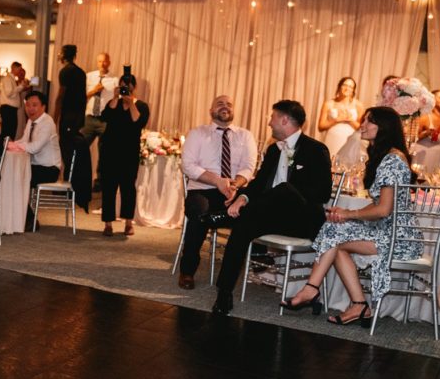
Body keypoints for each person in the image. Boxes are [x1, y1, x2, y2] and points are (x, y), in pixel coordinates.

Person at [283, 107, 421, 325]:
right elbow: (379, 206)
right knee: (334, 230)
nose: (362, 125)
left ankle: (318, 291)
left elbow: (384, 209)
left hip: (398, 237)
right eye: (363, 120)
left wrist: (349, 214)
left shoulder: (393, 160)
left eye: (369, 121)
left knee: (335, 233)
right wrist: (346, 215)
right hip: (386, 230)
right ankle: (352, 303)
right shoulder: (388, 157)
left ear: (384, 127)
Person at [212, 100, 333, 315]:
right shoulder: (274, 150)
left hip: (302, 220)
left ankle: (226, 216)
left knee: (285, 189)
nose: (269, 123)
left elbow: (322, 193)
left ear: (284, 120)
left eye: (272, 117)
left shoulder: (316, 149)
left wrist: (288, 193)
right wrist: (242, 199)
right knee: (243, 227)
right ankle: (224, 293)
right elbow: (258, 185)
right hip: (271, 216)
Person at [178, 95, 257, 289]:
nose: (225, 106)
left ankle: (248, 265)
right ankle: (187, 271)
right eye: (220, 104)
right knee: (199, 212)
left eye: (229, 104)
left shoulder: (245, 135)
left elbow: (249, 167)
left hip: (233, 192)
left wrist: (234, 185)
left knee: (255, 209)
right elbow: (187, 165)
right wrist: (217, 181)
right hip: (203, 190)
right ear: (211, 111)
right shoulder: (198, 133)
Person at [99, 68, 149, 237]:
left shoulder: (141, 106)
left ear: (134, 88)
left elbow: (138, 121)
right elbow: (105, 116)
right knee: (109, 188)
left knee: (128, 188)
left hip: (129, 153)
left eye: (128, 87)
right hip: (109, 152)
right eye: (122, 87)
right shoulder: (114, 103)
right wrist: (114, 97)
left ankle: (128, 222)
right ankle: (108, 224)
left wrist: (131, 102)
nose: (125, 90)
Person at [7, 90, 62, 230]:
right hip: (35, 166)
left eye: (34, 105)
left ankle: (30, 220)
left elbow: (34, 147)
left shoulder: (47, 122)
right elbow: (25, 141)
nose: (30, 109)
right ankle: (19, 219)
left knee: (17, 179)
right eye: (27, 105)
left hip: (49, 169)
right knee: (12, 177)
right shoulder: (31, 122)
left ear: (43, 107)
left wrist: (14, 145)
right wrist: (10, 144)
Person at [80, 52, 118, 177]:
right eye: (100, 61)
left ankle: (100, 181)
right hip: (89, 119)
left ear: (109, 62)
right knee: (81, 147)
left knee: (105, 152)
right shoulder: (88, 76)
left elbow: (117, 99)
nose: (103, 64)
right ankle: (80, 177)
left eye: (105, 61)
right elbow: (81, 97)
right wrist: (94, 91)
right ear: (97, 62)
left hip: (105, 120)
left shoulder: (114, 80)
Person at [54, 44, 86, 179]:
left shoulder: (65, 72)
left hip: (68, 116)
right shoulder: (81, 72)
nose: (59, 55)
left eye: (60, 53)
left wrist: (54, 117)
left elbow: (61, 95)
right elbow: (83, 97)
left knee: (66, 149)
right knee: (73, 150)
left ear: (64, 55)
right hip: (78, 117)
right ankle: (70, 179)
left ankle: (66, 181)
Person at [412, 89, 440, 172]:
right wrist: (425, 134)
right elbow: (411, 138)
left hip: (439, 157)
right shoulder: (425, 117)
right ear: (433, 100)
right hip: (423, 156)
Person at [319, 76, 364, 159]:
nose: (347, 88)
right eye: (345, 85)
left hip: (350, 140)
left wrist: (350, 120)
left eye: (350, 87)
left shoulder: (358, 105)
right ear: (340, 86)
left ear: (353, 90)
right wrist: (336, 120)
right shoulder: (329, 103)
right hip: (332, 139)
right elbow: (321, 126)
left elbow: (362, 128)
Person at [0, 62, 25, 140]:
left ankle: (7, 149)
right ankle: (4, 150)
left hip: (10, 109)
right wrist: (20, 87)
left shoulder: (11, 79)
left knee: (11, 131)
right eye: (19, 69)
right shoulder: (7, 79)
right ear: (14, 68)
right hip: (8, 108)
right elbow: (9, 93)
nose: (20, 72)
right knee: (8, 132)